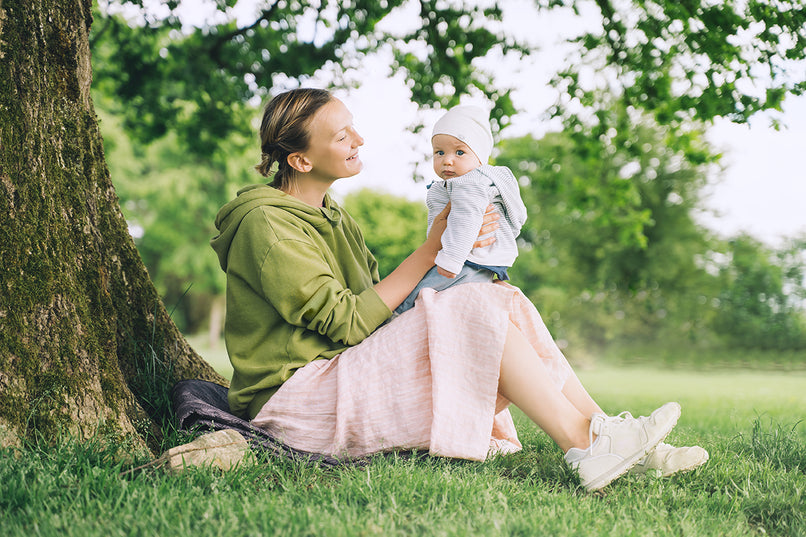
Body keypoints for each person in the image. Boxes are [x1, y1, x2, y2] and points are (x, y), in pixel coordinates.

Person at [210, 88, 707, 491]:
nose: (359, 138)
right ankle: (587, 444)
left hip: (340, 370)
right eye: (342, 135)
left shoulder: (334, 216)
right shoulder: (266, 226)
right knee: (472, 303)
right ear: (299, 160)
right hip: (297, 402)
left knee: (500, 297)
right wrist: (434, 249)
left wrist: (463, 255)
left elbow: (380, 305)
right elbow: (345, 321)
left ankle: (608, 434)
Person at [394, 105, 527, 315]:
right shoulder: (471, 182)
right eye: (439, 152)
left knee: (418, 293)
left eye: (459, 152)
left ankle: (397, 315)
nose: (447, 160)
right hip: (478, 261)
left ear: (480, 158)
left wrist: (451, 259)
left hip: (464, 261)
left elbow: (467, 219)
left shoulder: (470, 183)